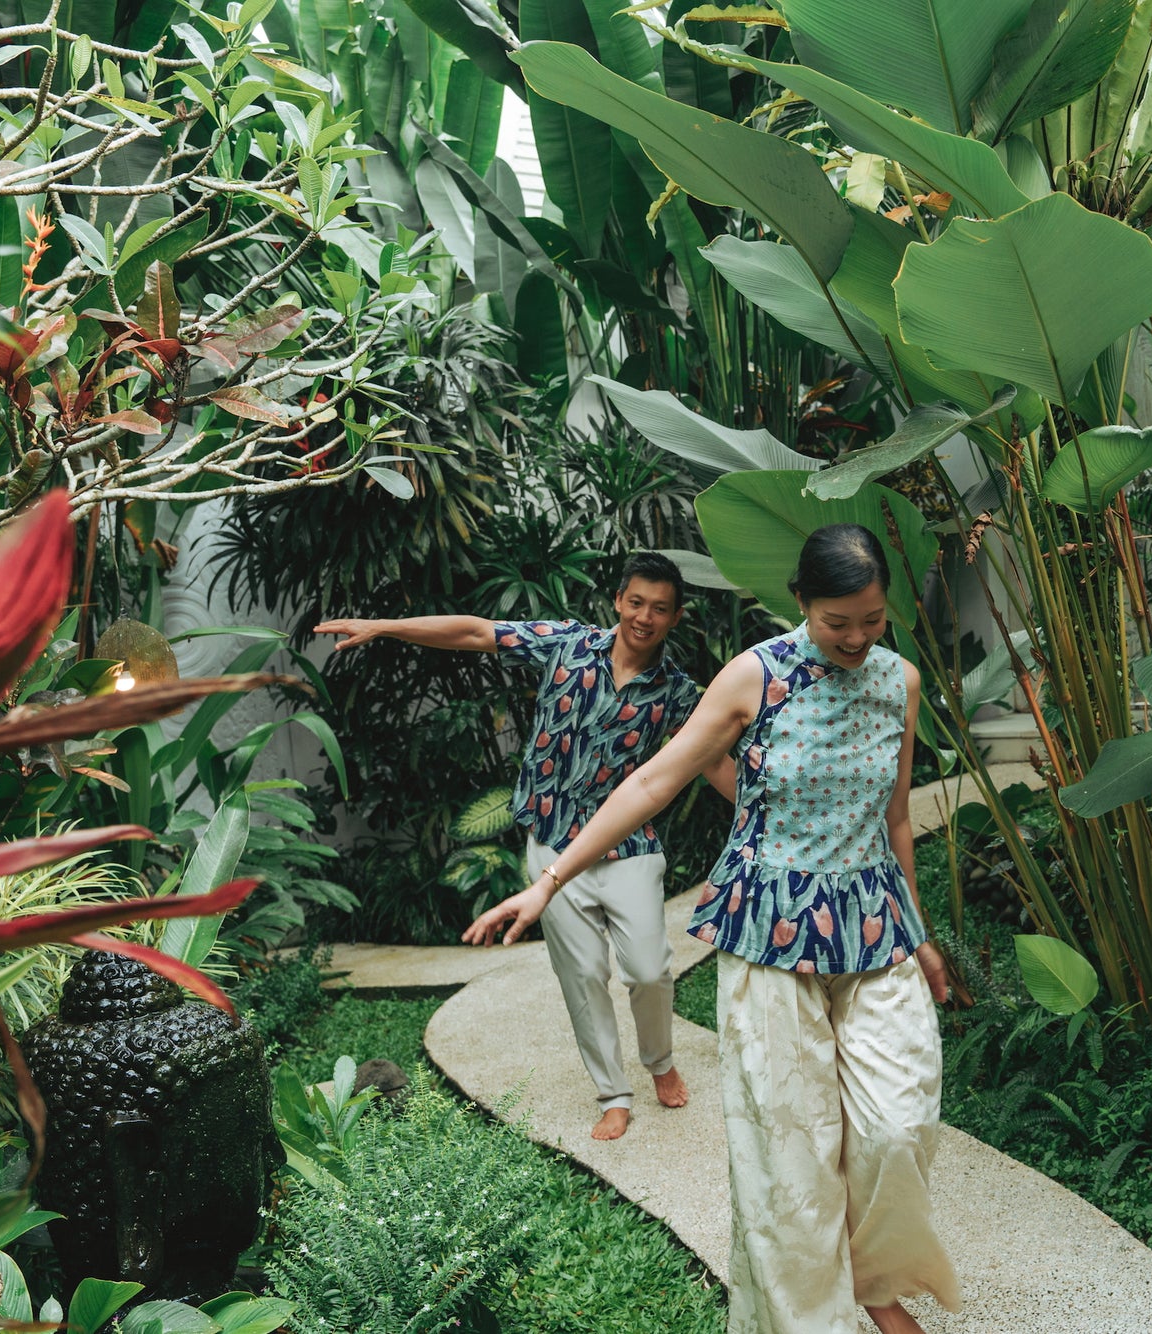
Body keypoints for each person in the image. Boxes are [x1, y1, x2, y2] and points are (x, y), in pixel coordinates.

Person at [465, 524, 962, 1334]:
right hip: (771, 931)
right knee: (789, 1149)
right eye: (840, 621)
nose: (858, 638)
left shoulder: (897, 681)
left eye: (872, 620)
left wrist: (920, 930)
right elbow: (655, 778)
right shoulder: (753, 678)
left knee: (898, 1126)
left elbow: (897, 816)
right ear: (801, 603)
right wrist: (550, 880)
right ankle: (813, 1319)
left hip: (874, 926)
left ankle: (873, 1277)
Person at [315, 552, 735, 1141]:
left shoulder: (679, 692)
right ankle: (613, 1093)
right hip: (550, 845)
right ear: (618, 601)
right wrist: (384, 628)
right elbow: (473, 631)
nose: (644, 617)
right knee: (583, 975)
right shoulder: (565, 643)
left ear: (675, 617)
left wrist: (769, 815)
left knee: (649, 969)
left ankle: (659, 1062)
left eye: (659, 609)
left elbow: (713, 758)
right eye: (635, 602)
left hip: (628, 848)